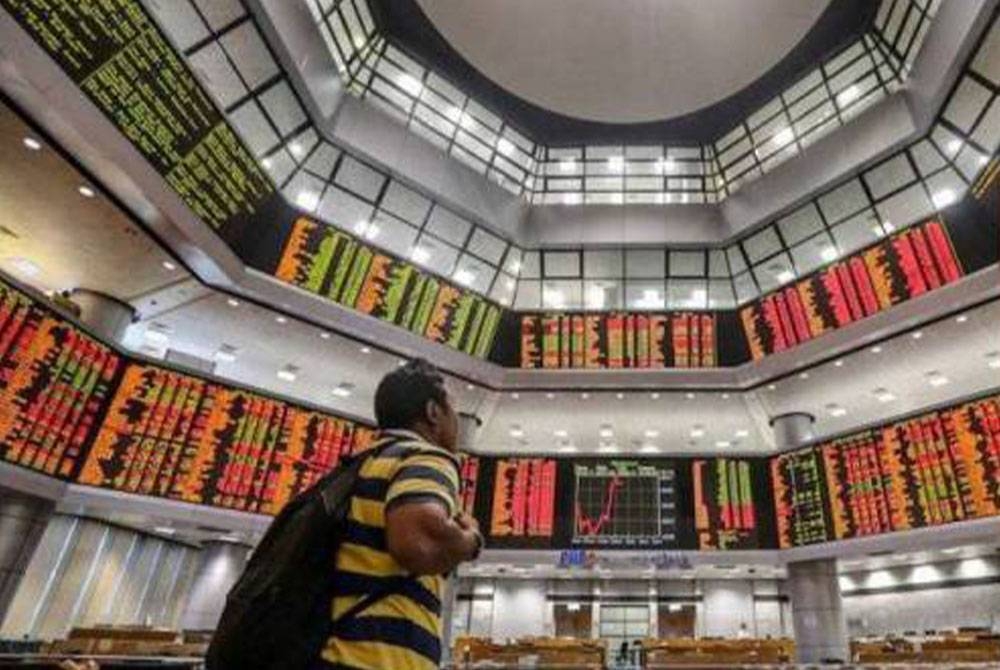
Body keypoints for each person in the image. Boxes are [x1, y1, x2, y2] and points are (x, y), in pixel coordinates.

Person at [316, 358, 483, 669]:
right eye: (453, 410)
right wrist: (471, 540)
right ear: (433, 412)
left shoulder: (363, 464)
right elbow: (417, 542)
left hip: (335, 652)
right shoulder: (425, 457)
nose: (457, 422)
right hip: (379, 660)